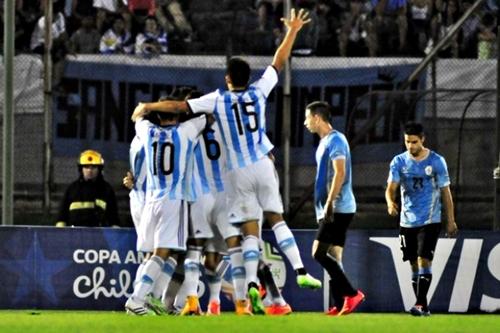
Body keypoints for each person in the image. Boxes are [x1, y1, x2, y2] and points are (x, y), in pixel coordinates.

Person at [131, 8, 322, 315]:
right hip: (259, 166)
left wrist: (147, 106)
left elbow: (179, 107)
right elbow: (278, 61)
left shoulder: (208, 111)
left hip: (211, 190)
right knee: (256, 232)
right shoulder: (258, 93)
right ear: (248, 78)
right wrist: (293, 31)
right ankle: (275, 286)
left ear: (226, 78)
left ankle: (196, 301)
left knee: (199, 247)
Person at [124, 101, 209, 315]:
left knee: (161, 253)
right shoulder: (186, 131)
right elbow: (210, 115)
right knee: (162, 253)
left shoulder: (147, 131)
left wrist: (148, 108)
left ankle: (150, 299)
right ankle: (136, 299)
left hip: (151, 200)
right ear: (176, 115)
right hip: (173, 200)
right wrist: (185, 106)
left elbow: (137, 115)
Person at [385, 121, 458, 316]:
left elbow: (446, 192)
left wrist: (450, 220)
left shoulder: (436, 161)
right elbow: (390, 189)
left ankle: (420, 303)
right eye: (407, 142)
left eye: (414, 142)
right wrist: (390, 203)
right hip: (407, 221)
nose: (411, 146)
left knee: (424, 259)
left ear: (423, 139)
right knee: (413, 263)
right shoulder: (398, 162)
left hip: (430, 220)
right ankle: (422, 305)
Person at [303, 101, 365, 316]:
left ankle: (351, 294)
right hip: (330, 208)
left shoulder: (336, 139)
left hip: (337, 207)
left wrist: (329, 202)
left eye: (307, 117)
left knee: (318, 253)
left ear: (317, 118)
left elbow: (340, 173)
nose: (305, 122)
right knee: (334, 255)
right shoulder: (324, 142)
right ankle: (341, 304)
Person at [56, 149, 120, 228]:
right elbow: (62, 216)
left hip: (99, 236)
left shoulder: (106, 190)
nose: (89, 170)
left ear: (99, 169)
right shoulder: (72, 189)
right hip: (74, 236)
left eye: (93, 167)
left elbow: (114, 219)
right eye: (86, 167)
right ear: (81, 169)